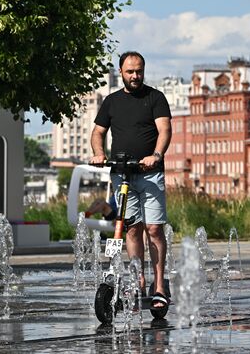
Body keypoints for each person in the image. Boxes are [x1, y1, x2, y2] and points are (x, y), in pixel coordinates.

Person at [90, 51, 172, 312]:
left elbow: (165, 130)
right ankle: (138, 281)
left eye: (139, 71)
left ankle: (159, 286)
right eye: (130, 72)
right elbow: (98, 132)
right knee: (131, 229)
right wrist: (99, 153)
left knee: (154, 229)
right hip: (122, 174)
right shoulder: (112, 102)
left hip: (150, 173)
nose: (135, 76)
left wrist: (156, 155)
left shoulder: (155, 98)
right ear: (121, 72)